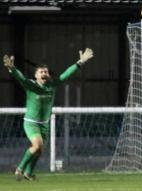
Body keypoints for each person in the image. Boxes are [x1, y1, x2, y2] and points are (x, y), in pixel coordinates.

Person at [3, 49, 94, 181]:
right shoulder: (31, 85)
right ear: (36, 75)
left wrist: (80, 62)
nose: (45, 73)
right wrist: (12, 69)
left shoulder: (52, 84)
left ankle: (29, 173)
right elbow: (21, 78)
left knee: (39, 151)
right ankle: (20, 169)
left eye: (46, 71)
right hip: (31, 122)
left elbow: (66, 74)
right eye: (41, 72)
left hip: (44, 124)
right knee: (37, 146)